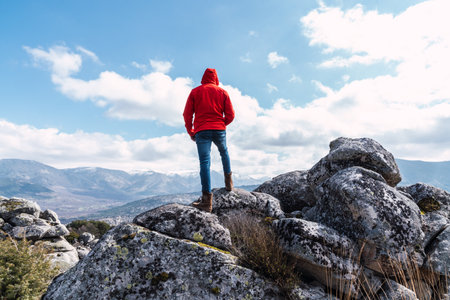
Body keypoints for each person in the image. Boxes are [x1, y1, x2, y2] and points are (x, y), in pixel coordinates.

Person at [183, 68, 235, 213]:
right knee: (224, 152)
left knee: (205, 162)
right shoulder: (223, 92)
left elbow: (187, 114)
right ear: (216, 78)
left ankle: (206, 202)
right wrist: (221, 124)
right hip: (219, 129)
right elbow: (230, 115)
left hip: (201, 131)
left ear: (203, 78)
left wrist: (191, 131)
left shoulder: (195, 92)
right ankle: (229, 185)